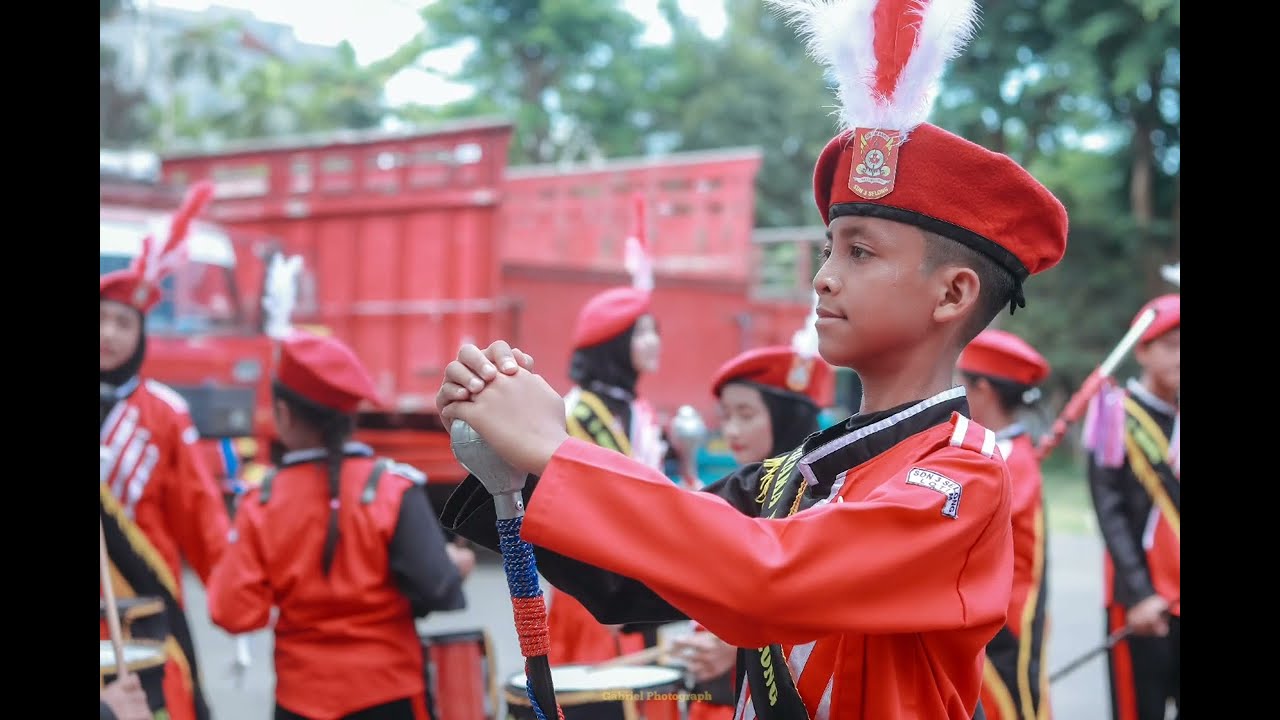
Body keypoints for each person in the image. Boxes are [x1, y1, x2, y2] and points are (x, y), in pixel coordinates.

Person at [434, 0, 1070, 716]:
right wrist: (517, 468)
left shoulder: (961, 478)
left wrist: (554, 445)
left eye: (859, 251)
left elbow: (769, 578)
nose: (823, 275)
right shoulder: (800, 476)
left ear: (953, 293)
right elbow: (634, 574)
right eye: (829, 249)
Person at [207, 330, 472, 720]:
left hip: (300, 701)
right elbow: (438, 590)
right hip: (390, 696)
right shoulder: (392, 489)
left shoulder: (260, 501)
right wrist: (456, 565)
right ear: (350, 417)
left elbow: (233, 612)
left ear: (283, 413)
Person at [100, 182, 229, 720]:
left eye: (124, 323)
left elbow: (201, 517)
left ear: (143, 334)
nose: (108, 333)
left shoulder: (166, 415)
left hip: (149, 609)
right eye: (101, 319)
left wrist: (235, 592)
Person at [674, 341, 836, 720]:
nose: (731, 430)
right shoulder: (740, 496)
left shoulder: (821, 504)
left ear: (786, 417)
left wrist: (738, 649)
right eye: (726, 415)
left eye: (745, 414)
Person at [547, 284, 669, 666]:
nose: (654, 343)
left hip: (640, 573)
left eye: (654, 331)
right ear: (614, 343)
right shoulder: (575, 413)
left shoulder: (640, 410)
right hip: (592, 583)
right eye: (642, 332)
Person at [1084, 294, 1180, 720]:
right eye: (1173, 344)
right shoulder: (1115, 413)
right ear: (1142, 349)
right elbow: (1111, 512)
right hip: (1144, 602)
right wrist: (1140, 594)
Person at [956, 329, 1054, 720]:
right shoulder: (999, 451)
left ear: (982, 389)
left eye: (961, 384)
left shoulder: (1008, 460)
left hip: (1005, 618)